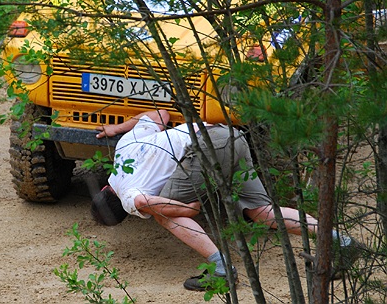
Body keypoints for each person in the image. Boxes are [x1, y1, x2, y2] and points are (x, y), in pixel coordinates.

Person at [90, 109, 359, 291]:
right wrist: (118, 127)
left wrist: (188, 208)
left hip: (207, 146)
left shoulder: (127, 197)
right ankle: (340, 240)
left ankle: (221, 270)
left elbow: (144, 204)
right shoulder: (124, 147)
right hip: (230, 135)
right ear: (104, 186)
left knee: (165, 213)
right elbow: (160, 114)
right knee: (261, 212)